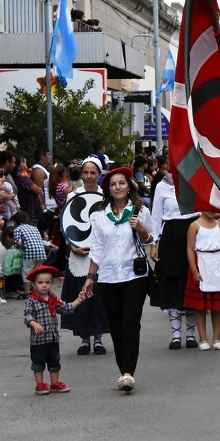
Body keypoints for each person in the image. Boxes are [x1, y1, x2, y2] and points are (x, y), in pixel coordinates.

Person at [82, 166, 155, 393]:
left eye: (121, 183)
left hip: (135, 275)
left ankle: (128, 373)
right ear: (108, 189)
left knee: (130, 321)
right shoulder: (100, 215)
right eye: (113, 184)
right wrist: (90, 277)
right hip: (109, 276)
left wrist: (141, 228)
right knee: (115, 324)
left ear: (128, 186)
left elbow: (151, 239)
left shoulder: (140, 211)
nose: (118, 187)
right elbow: (97, 248)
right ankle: (122, 368)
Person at [60, 158, 108, 355]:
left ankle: (98, 338)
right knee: (81, 295)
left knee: (99, 297)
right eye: (86, 172)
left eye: (93, 172)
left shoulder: (106, 196)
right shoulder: (73, 195)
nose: (89, 176)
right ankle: (84, 339)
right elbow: (65, 224)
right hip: (79, 254)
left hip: (101, 254)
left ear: (99, 174)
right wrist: (72, 246)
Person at [150, 164, 199, 350]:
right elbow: (156, 216)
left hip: (193, 230)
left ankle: (191, 334)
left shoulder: (194, 180)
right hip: (170, 234)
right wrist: (154, 243)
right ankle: (176, 335)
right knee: (172, 283)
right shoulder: (162, 186)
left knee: (191, 283)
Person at [23, 265, 87, 395]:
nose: (44, 286)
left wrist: (78, 300)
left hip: (53, 339)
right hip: (38, 341)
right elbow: (27, 316)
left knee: (55, 362)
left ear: (52, 283)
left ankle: (54, 383)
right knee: (38, 364)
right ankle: (40, 384)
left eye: (47, 282)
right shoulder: (32, 301)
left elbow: (64, 308)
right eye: (40, 283)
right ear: (33, 284)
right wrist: (35, 324)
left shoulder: (53, 298)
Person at [184, 211, 220, 351]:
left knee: (217, 306)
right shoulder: (194, 226)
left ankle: (217, 337)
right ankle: (203, 338)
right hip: (202, 265)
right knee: (200, 306)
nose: (211, 210)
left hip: (218, 266)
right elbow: (190, 249)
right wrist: (194, 270)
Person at [12, 212, 46, 297]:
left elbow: (19, 243)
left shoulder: (18, 229)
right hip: (40, 251)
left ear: (15, 222)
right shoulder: (33, 228)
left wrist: (17, 247)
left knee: (26, 272)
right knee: (37, 272)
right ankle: (38, 290)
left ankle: (27, 291)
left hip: (29, 252)